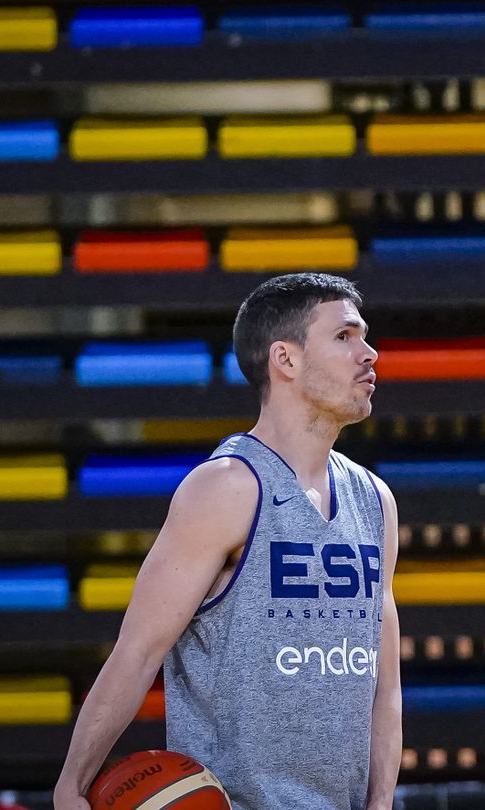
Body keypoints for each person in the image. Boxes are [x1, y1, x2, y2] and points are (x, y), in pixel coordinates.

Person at [55, 273, 400, 810]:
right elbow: (139, 651)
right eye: (345, 337)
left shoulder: (374, 500)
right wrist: (72, 785)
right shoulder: (226, 487)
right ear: (285, 359)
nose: (370, 353)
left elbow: (384, 682)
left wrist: (381, 803)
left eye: (364, 336)